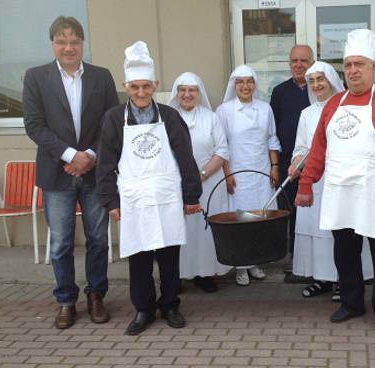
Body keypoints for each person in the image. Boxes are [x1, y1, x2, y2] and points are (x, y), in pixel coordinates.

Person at [295, 29, 375, 336]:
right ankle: (351, 303)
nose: (353, 71)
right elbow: (319, 150)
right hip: (341, 192)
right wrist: (306, 185)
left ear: (373, 66)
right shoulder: (334, 105)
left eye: (359, 64)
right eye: (348, 65)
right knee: (344, 253)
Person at [96, 41, 202, 335]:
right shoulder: (114, 119)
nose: (141, 93)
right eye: (134, 87)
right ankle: (143, 308)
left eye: (146, 86)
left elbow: (185, 157)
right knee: (139, 256)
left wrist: (191, 195)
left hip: (167, 195)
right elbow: (105, 164)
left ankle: (170, 305)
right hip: (134, 198)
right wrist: (111, 202)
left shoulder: (169, 116)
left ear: (155, 85)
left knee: (169, 254)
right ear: (125, 86)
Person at [23, 16, 118, 329]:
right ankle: (66, 300)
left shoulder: (101, 77)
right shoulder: (36, 77)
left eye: (74, 42)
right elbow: (34, 125)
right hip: (57, 172)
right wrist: (70, 155)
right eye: (62, 42)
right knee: (61, 242)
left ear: (82, 44)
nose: (68, 47)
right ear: (53, 44)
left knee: (98, 240)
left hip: (94, 172)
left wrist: (89, 156)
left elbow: (111, 123)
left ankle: (96, 296)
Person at [289, 61, 374, 301]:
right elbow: (301, 146)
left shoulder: (345, 107)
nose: (316, 85)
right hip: (314, 179)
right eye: (312, 81)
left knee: (340, 230)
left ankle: (343, 281)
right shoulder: (306, 114)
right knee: (318, 229)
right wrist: (296, 161)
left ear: (330, 81)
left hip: (339, 177)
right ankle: (323, 278)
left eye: (320, 79)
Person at [215, 65, 282, 286]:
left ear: (255, 84)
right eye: (240, 82)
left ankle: (254, 262)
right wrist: (227, 174)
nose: (245, 86)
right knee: (241, 219)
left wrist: (274, 167)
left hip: (262, 172)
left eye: (249, 81)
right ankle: (240, 266)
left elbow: (272, 139)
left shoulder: (266, 109)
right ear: (234, 85)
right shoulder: (224, 111)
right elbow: (221, 145)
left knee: (259, 217)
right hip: (237, 173)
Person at [167, 72, 232, 293]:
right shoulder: (166, 117)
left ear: (199, 93)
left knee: (204, 231)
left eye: (192, 90)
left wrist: (201, 175)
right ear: (177, 93)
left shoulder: (210, 117)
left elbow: (222, 150)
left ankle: (205, 274)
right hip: (176, 186)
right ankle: (176, 276)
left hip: (209, 181)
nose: (187, 94)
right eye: (183, 90)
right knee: (178, 230)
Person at [269, 45, 313, 280]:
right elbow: (273, 129)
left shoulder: (319, 87)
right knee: (291, 212)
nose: (298, 65)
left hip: (316, 165)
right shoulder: (280, 92)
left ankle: (314, 259)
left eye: (304, 60)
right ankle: (296, 259)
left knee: (311, 212)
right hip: (288, 163)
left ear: (312, 62)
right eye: (294, 60)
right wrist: (276, 163)